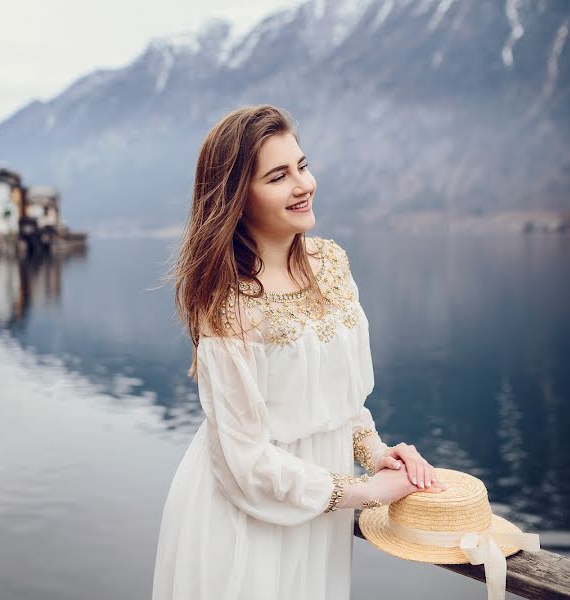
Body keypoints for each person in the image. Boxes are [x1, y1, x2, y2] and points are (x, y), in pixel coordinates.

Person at [152, 105, 447, 600]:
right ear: (236, 198)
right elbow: (244, 461)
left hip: (319, 516)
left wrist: (377, 454)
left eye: (302, 166)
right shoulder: (226, 302)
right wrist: (367, 493)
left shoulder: (329, 262)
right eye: (278, 176)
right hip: (244, 517)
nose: (303, 184)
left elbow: (342, 402)